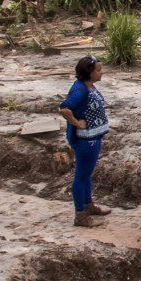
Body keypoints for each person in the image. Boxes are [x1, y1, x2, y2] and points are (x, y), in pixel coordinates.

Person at [59, 55, 112, 227]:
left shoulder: (88, 87)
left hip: (93, 138)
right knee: (81, 176)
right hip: (85, 140)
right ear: (89, 73)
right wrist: (77, 123)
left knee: (86, 174)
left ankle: (88, 205)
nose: (101, 72)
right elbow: (64, 108)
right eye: (98, 70)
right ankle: (80, 214)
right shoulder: (80, 90)